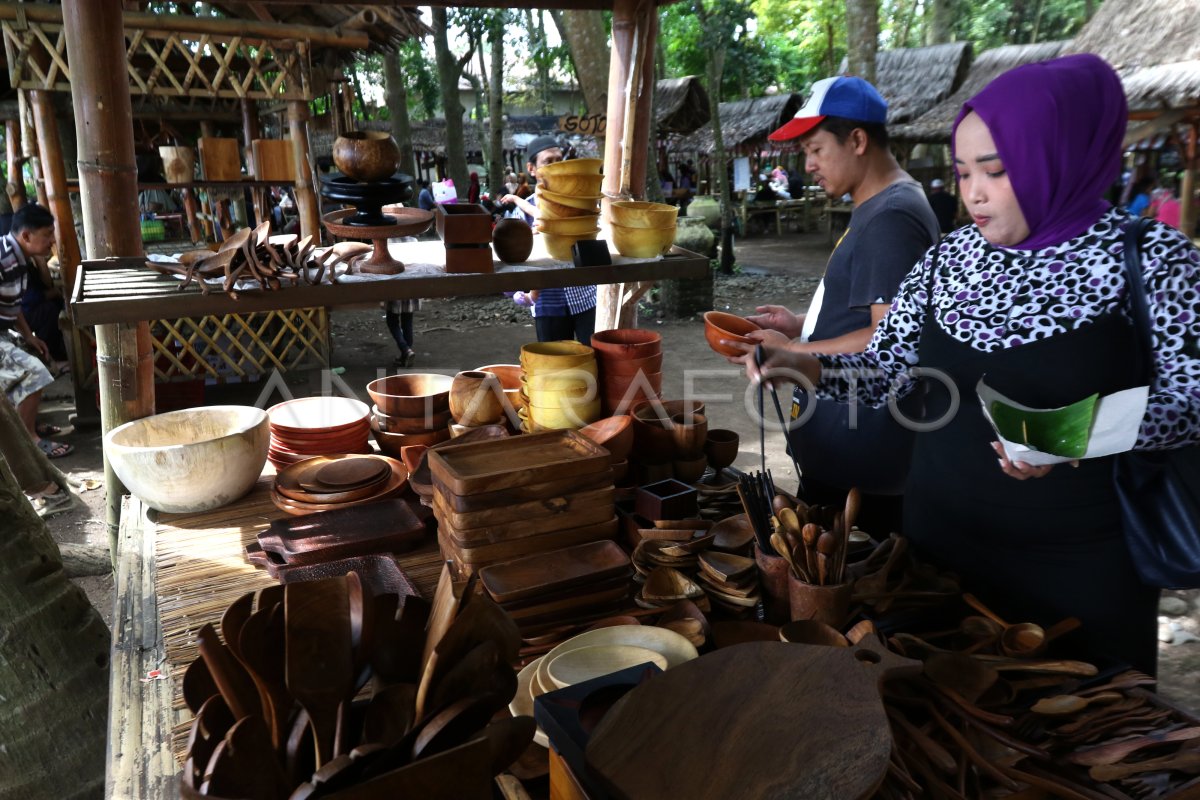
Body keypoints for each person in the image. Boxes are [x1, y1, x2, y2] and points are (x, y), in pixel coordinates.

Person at [734, 54, 1200, 675]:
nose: (973, 192)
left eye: (997, 170)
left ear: (1062, 156)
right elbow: (888, 370)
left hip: (1081, 566)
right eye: (962, 172)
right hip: (939, 551)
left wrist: (1081, 432)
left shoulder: (1154, 262)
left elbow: (1191, 404)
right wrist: (803, 366)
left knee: (1079, 737)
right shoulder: (952, 259)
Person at [740, 75, 940, 534]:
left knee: (842, 584)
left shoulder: (891, 218)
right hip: (845, 449)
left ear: (857, 140)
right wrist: (800, 325)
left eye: (815, 149)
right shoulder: (878, 205)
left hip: (863, 459)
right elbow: (867, 312)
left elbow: (885, 339)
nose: (808, 163)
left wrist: (793, 353)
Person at [499, 135, 597, 344]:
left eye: (559, 160)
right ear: (531, 169)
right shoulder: (521, 213)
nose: (555, 167)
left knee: (593, 366)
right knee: (555, 370)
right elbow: (509, 259)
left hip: (585, 299)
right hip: (547, 305)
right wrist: (517, 292)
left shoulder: (581, 204)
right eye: (548, 162)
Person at [1, 203, 72, 458]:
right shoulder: (2, 257)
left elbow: (12, 304)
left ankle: (26, 424)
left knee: (40, 354)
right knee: (34, 371)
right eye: (47, 235)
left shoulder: (19, 257)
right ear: (27, 236)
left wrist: (28, 335)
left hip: (5, 331)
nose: (52, 241)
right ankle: (28, 442)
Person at [384, 299, 419, 367]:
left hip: (395, 296)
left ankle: (406, 350)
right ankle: (406, 356)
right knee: (407, 322)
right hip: (409, 295)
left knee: (392, 321)